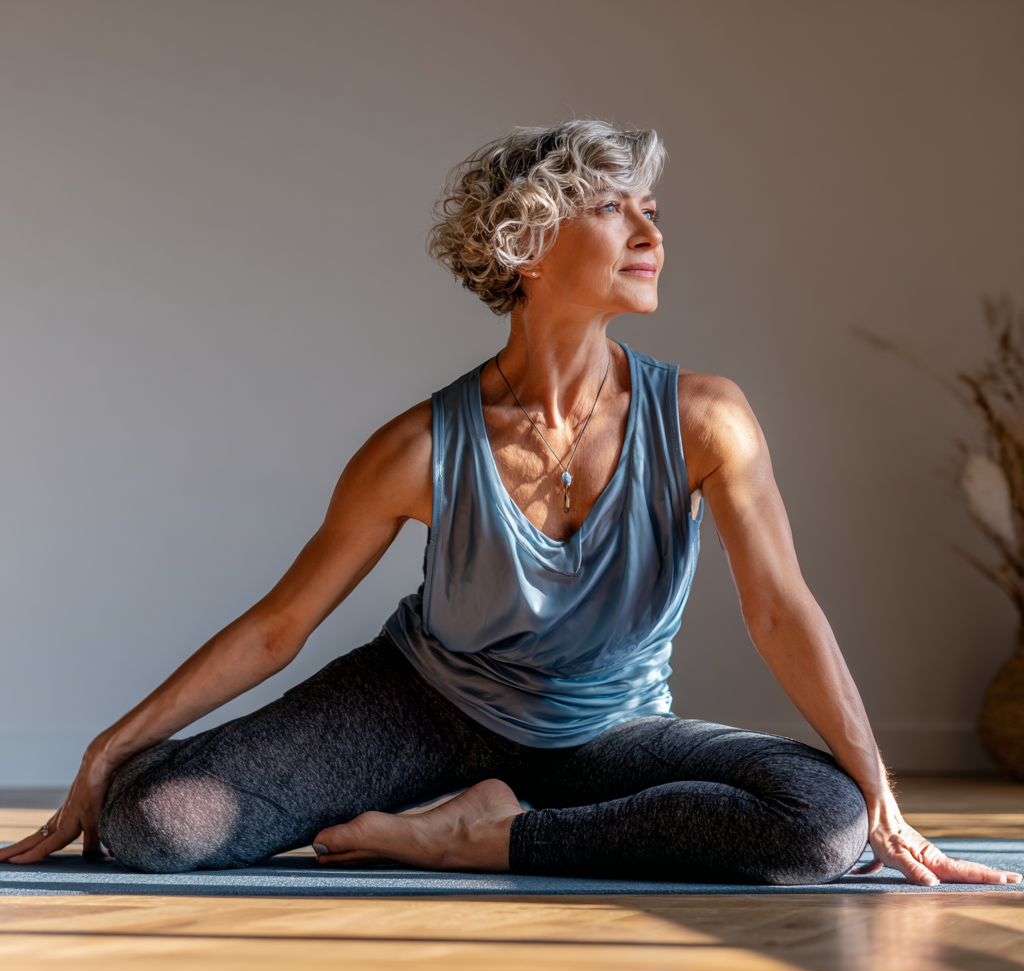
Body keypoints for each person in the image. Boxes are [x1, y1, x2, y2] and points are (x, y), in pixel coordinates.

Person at [2, 120, 1016, 888]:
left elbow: (780, 610)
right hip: (417, 705)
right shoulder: (417, 448)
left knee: (822, 822)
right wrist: (108, 749)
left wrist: (882, 797)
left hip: (606, 731)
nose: (650, 229)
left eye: (651, 210)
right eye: (616, 208)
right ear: (527, 243)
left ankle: (477, 834)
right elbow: (278, 628)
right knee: (151, 825)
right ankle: (397, 792)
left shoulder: (709, 419)